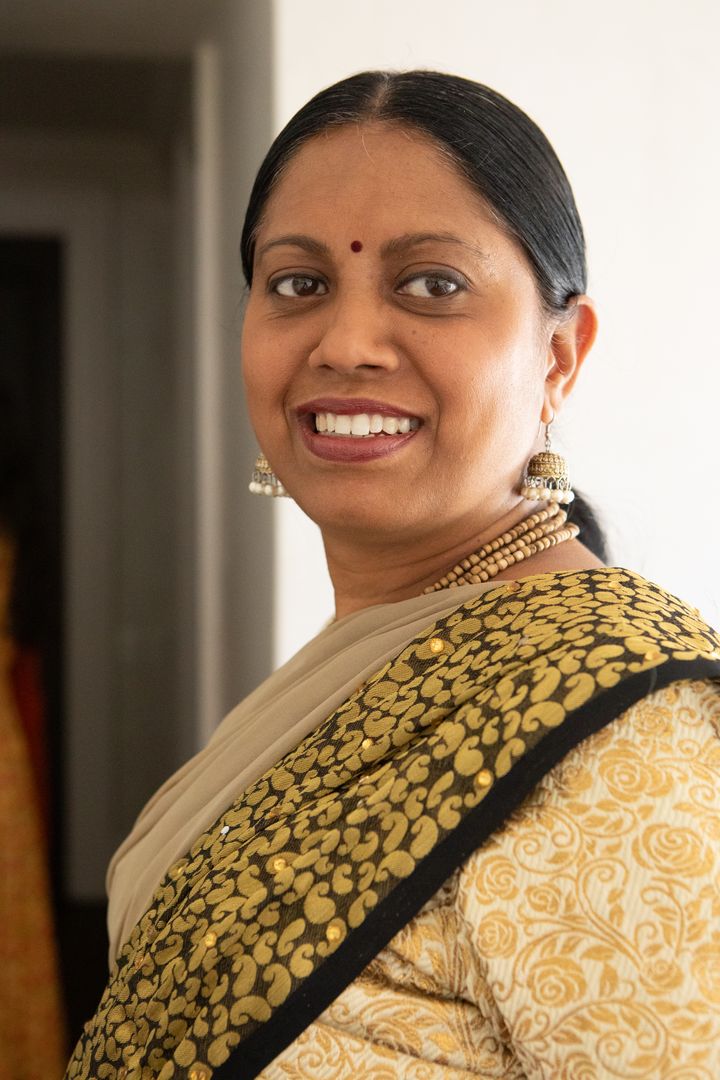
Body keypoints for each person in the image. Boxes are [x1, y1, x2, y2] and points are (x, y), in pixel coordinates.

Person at [66, 71, 720, 1080]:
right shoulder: (359, 669)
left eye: (432, 284)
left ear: (559, 355)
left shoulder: (632, 739)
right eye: (299, 284)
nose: (348, 343)